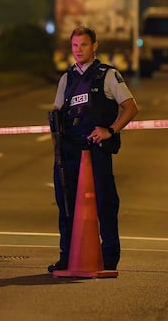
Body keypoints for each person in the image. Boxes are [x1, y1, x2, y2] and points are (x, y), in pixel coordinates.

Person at [48, 26, 139, 273]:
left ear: (94, 46)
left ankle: (109, 257)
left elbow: (130, 107)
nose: (79, 50)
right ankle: (67, 256)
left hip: (96, 151)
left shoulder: (107, 76)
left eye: (84, 45)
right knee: (66, 206)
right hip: (70, 153)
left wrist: (111, 130)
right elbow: (57, 114)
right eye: (75, 46)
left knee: (105, 204)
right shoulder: (66, 79)